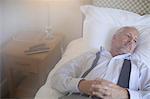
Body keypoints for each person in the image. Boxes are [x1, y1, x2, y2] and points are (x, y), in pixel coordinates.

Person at [51, 26, 150, 99]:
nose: (131, 41)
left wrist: (125, 94)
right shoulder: (89, 56)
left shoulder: (140, 66)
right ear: (114, 38)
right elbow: (57, 77)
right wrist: (80, 85)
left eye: (135, 41)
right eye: (128, 36)